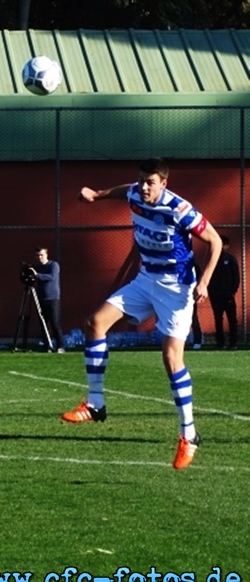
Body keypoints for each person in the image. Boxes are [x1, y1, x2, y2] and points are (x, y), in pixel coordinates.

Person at [61, 158, 222, 470]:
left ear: (164, 183)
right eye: (141, 181)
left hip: (176, 288)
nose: (143, 187)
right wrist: (98, 194)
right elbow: (126, 191)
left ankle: (189, 433)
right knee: (95, 324)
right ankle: (96, 404)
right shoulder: (135, 192)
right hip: (146, 280)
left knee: (171, 358)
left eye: (150, 182)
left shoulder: (180, 209)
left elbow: (215, 241)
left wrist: (204, 281)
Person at [29, 246, 65, 353]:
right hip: (41, 298)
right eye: (37, 255)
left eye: (41, 255)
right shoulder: (37, 268)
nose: (39, 257)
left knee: (55, 323)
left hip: (53, 299)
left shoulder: (53, 265)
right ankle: (47, 345)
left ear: (46, 255)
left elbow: (51, 277)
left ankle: (60, 346)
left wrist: (37, 275)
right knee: (44, 324)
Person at [208, 234, 240, 349]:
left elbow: (236, 277)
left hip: (228, 295)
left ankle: (233, 343)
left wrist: (232, 291)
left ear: (227, 246)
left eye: (223, 244)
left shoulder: (231, 259)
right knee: (218, 319)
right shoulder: (212, 258)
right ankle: (220, 343)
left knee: (232, 319)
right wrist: (210, 291)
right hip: (215, 295)